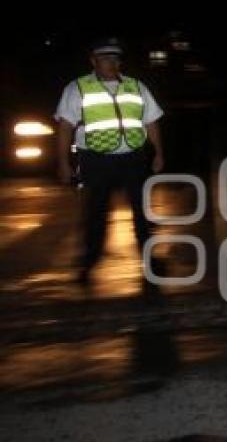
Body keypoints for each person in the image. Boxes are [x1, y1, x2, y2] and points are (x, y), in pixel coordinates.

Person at [55, 37, 165, 284]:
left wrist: (158, 152)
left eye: (115, 58)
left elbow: (151, 121)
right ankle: (89, 262)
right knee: (95, 213)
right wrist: (63, 163)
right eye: (105, 58)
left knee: (142, 212)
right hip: (96, 159)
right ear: (93, 61)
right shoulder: (77, 88)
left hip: (134, 158)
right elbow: (64, 128)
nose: (111, 63)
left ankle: (150, 259)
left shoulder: (137, 87)